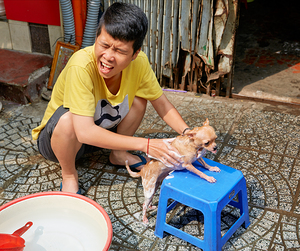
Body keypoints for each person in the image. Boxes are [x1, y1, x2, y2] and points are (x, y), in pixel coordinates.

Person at [32, 2, 189, 194]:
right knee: (67, 120)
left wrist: (189, 133)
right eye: (104, 45)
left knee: (140, 100)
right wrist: (145, 144)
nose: (108, 56)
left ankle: (118, 154)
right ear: (96, 37)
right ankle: (69, 175)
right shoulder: (81, 65)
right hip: (60, 141)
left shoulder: (140, 63)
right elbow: (83, 132)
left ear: (134, 54)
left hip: (97, 135)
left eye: (120, 51)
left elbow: (162, 105)